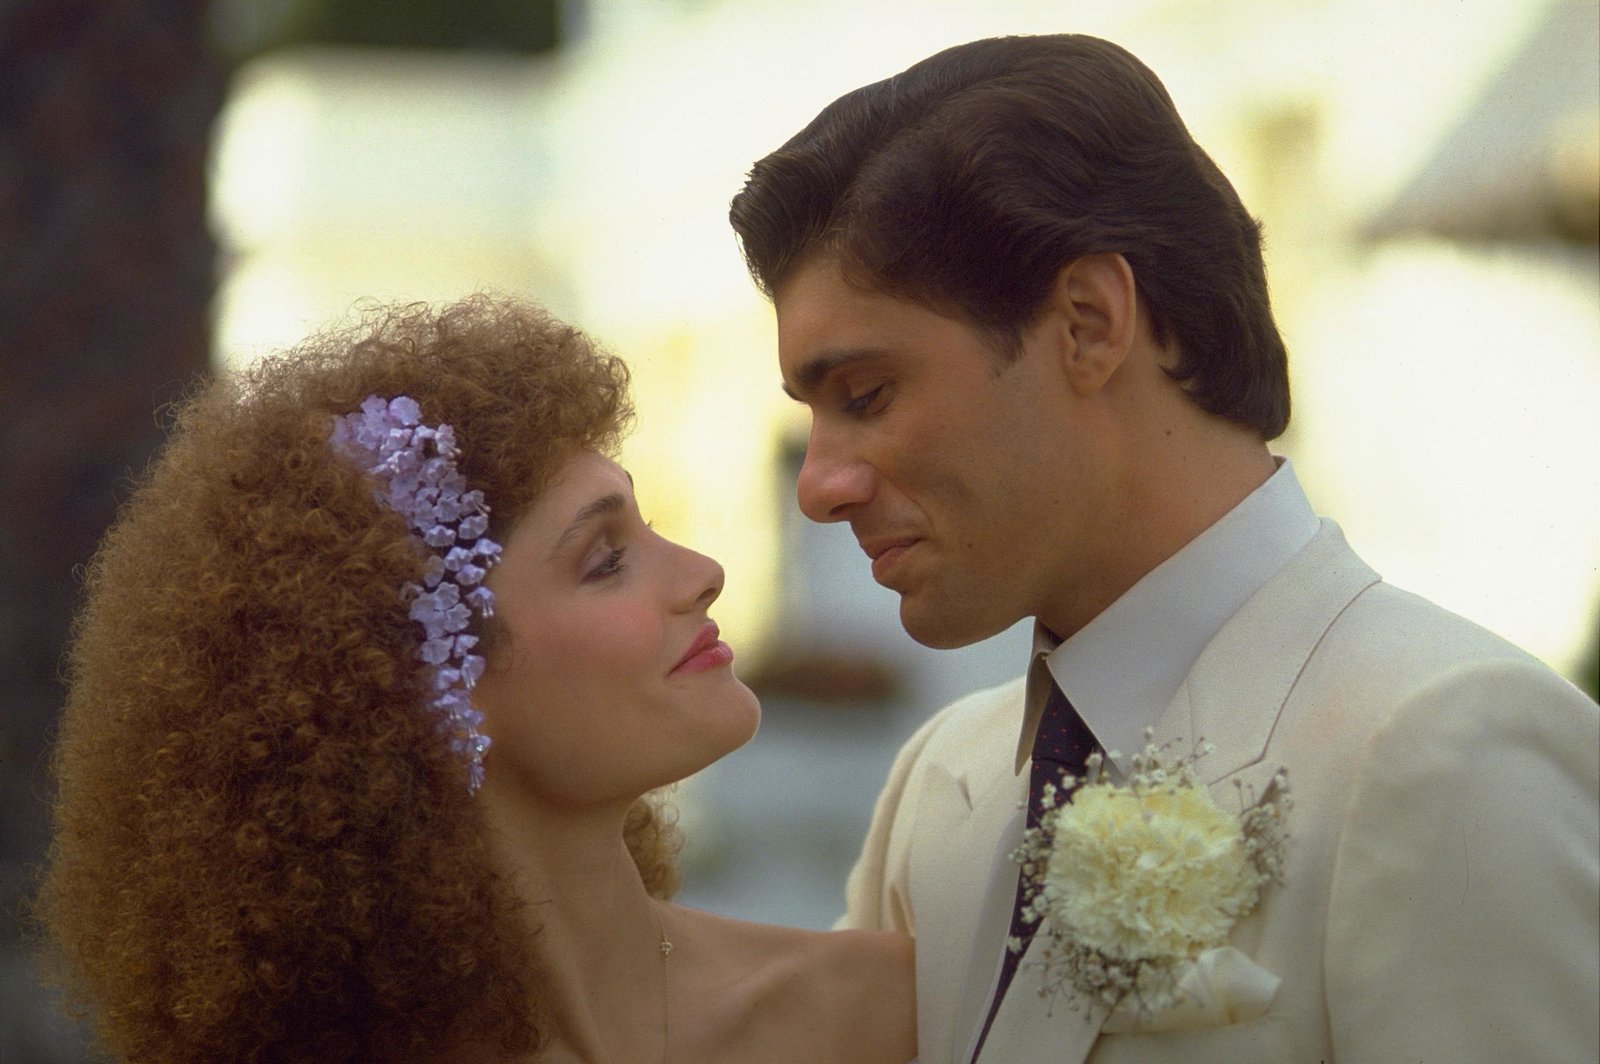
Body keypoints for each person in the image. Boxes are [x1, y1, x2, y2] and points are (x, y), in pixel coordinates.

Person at [729, 33, 1599, 1064]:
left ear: (1090, 323)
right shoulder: (942, 783)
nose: (820, 486)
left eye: (866, 395)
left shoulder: (1447, 747)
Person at [34, 296, 916, 1064]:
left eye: (647, 526)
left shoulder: (900, 1014)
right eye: (605, 559)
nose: (703, 573)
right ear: (418, 692)